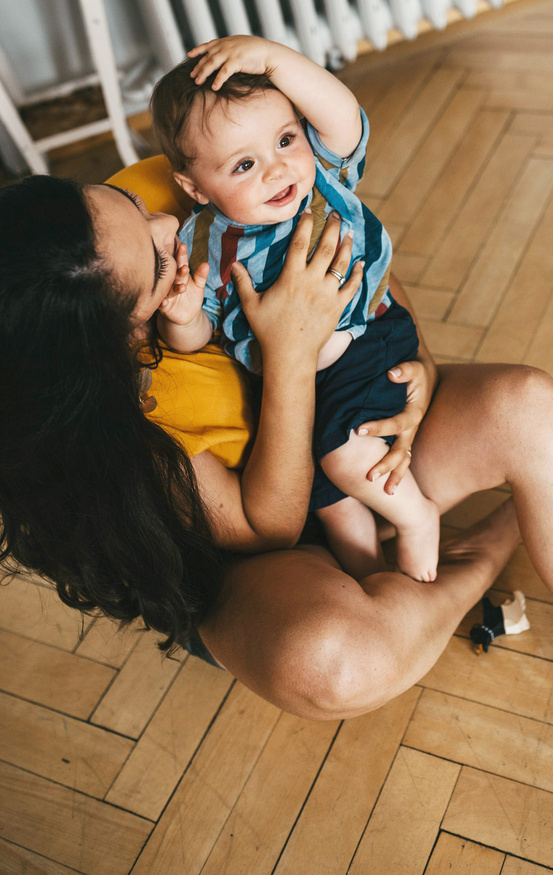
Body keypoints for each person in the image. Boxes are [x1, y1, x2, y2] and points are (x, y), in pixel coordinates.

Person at [1, 172, 552, 723]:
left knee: (530, 406)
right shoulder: (110, 428)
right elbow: (270, 527)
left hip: (352, 442)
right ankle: (485, 550)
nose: (167, 222)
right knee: (333, 664)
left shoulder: (162, 198)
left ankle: (418, 556)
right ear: (123, 337)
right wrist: (289, 347)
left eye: (130, 202)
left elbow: (345, 250)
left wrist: (421, 370)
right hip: (261, 558)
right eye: (160, 259)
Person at [150, 36, 440, 583]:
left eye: (286, 139)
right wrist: (183, 315)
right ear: (196, 188)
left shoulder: (322, 181)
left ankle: (417, 519)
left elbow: (345, 118)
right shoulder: (206, 239)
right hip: (291, 382)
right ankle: (372, 579)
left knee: (344, 457)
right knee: (327, 500)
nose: (277, 169)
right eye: (242, 165)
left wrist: (275, 61)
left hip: (362, 342)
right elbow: (197, 336)